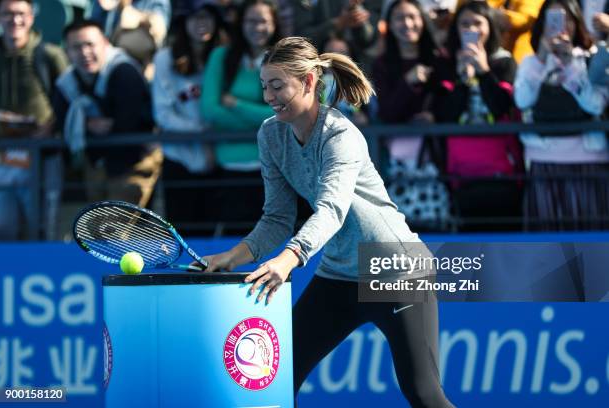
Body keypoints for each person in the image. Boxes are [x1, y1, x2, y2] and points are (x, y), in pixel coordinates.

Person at [196, 36, 454, 407]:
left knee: (424, 394)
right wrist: (234, 256)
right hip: (338, 274)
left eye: (278, 85)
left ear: (308, 82)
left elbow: (332, 210)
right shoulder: (270, 134)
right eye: (264, 85)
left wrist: (288, 259)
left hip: (396, 271)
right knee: (277, 379)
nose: (268, 96)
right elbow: (278, 217)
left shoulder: (341, 135)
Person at [514, 0, 609, 230]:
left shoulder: (593, 58)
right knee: (547, 253)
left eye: (566, 17)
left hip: (588, 162)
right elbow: (523, 100)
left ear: (576, 22)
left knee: (590, 250)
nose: (561, 24)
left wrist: (570, 65)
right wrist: (541, 59)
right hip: (544, 162)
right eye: (553, 18)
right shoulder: (530, 62)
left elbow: (595, 106)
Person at [433, 0, 523, 231]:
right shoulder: (445, 63)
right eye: (464, 24)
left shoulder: (505, 61)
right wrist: (463, 79)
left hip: (502, 170)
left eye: (477, 23)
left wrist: (483, 72)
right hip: (461, 171)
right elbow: (446, 114)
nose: (471, 30)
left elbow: (502, 107)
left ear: (490, 27)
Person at [53, 20, 162, 208]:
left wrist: (90, 126)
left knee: (118, 231)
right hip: (97, 165)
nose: (85, 52)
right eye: (76, 47)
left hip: (134, 163)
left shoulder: (124, 72)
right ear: (67, 52)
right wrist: (86, 125)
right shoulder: (66, 81)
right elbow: (61, 121)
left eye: (90, 44)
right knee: (99, 230)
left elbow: (128, 123)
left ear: (105, 43)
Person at [200, 0, 282, 232]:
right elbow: (209, 110)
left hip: (275, 170)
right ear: (240, 23)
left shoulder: (284, 60)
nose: (257, 27)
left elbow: (285, 113)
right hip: (229, 170)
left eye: (263, 21)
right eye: (251, 21)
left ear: (274, 24)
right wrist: (263, 117)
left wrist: (236, 104)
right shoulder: (220, 56)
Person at [372, 0, 450, 230]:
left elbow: (450, 104)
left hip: (433, 161)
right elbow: (386, 111)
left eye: (412, 17)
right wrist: (408, 82)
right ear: (390, 25)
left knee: (436, 238)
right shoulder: (382, 64)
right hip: (396, 163)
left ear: (422, 21)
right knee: (396, 238)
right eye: (399, 17)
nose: (407, 23)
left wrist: (434, 116)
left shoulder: (439, 59)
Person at [0, 0, 69, 240]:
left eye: (20, 14)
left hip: (43, 154)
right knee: (4, 228)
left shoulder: (50, 54)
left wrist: (51, 127)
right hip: (3, 156)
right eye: (7, 14)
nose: (14, 20)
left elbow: (70, 99)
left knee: (45, 226)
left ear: (31, 17)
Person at [151, 1, 223, 234]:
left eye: (207, 17)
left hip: (220, 158)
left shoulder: (225, 56)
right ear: (183, 23)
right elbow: (163, 114)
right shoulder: (165, 58)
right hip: (179, 158)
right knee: (183, 233)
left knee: (217, 235)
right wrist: (203, 132)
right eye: (195, 17)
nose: (201, 23)